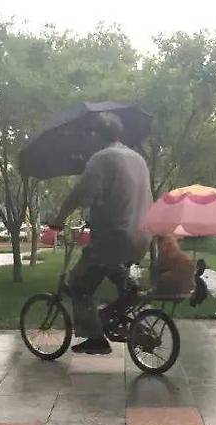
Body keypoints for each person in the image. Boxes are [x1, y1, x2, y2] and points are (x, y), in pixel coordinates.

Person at [48, 112, 152, 355]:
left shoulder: (102, 158)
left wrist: (59, 220)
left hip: (113, 239)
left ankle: (95, 338)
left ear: (96, 134)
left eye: (88, 134)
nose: (86, 140)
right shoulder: (137, 158)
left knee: (78, 285)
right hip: (141, 238)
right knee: (114, 270)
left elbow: (80, 194)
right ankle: (127, 298)